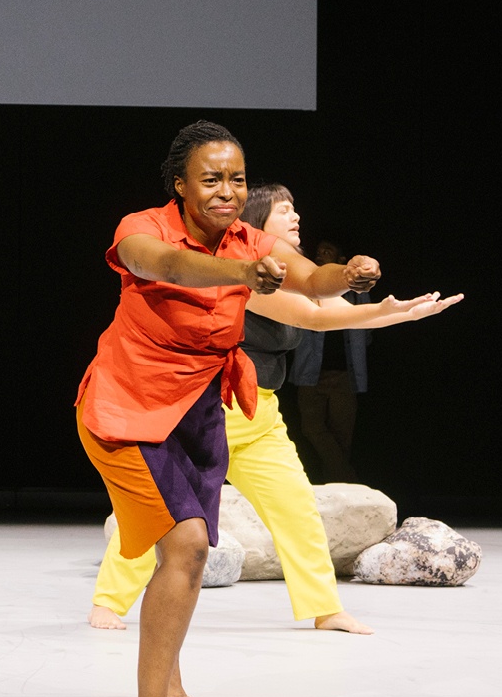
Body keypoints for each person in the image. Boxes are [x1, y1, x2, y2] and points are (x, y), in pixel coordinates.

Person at [75, 121, 383, 697]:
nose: (226, 191)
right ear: (181, 184)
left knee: (184, 556)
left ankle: (169, 679)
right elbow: (170, 266)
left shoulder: (255, 239)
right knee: (185, 546)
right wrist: (242, 269)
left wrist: (347, 275)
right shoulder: (144, 228)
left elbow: (310, 279)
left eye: (237, 179)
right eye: (211, 179)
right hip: (127, 409)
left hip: (200, 413)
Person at [86, 183, 462, 638]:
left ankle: (324, 607)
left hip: (258, 411)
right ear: (258, 228)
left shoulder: (289, 272)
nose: (297, 217)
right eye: (286, 211)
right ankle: (109, 601)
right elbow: (317, 317)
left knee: (296, 506)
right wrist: (390, 314)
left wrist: (399, 312)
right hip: (208, 407)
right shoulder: (243, 275)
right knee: (165, 510)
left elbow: (328, 301)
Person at [292, 240, 368, 483]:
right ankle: (348, 480)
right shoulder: (307, 286)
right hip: (310, 373)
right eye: (318, 252)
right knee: (311, 428)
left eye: (328, 251)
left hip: (344, 375)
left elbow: (367, 328)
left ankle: (336, 488)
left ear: (341, 258)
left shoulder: (358, 292)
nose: (321, 255)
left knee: (342, 435)